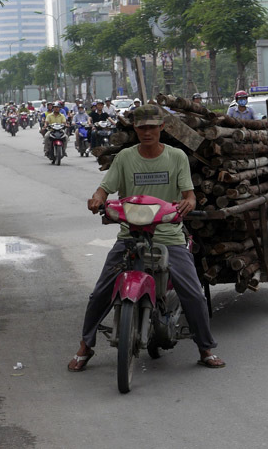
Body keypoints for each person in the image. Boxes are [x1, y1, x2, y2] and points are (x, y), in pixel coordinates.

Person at [68, 104, 224, 371]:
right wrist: (97, 199)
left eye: (152, 127)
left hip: (168, 235)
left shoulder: (176, 157)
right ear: (135, 130)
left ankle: (205, 348)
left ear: (162, 128)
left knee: (194, 294)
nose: (147, 132)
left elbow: (189, 195)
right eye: (142, 127)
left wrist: (188, 202)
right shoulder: (125, 158)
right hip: (131, 234)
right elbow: (105, 188)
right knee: (100, 293)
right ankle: (86, 346)